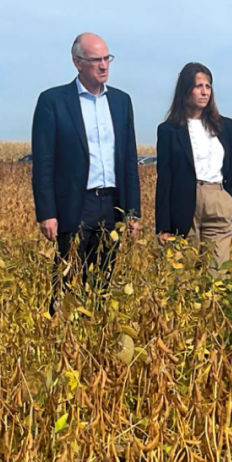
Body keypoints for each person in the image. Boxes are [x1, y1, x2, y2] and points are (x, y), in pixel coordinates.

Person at [31, 33, 140, 315]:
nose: (104, 65)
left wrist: (132, 212)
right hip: (75, 205)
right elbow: (43, 162)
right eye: (96, 60)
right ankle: (60, 339)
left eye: (107, 58)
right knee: (65, 281)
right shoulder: (53, 101)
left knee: (102, 281)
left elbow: (129, 160)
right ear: (78, 62)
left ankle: (96, 335)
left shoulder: (121, 102)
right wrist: (47, 213)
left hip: (112, 204)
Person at [155, 63, 232, 278]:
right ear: (185, 91)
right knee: (184, 277)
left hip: (218, 198)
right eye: (198, 86)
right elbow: (164, 178)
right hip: (183, 204)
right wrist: (163, 225)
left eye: (208, 86)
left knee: (218, 275)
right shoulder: (168, 130)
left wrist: (231, 198)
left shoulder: (225, 126)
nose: (205, 91)